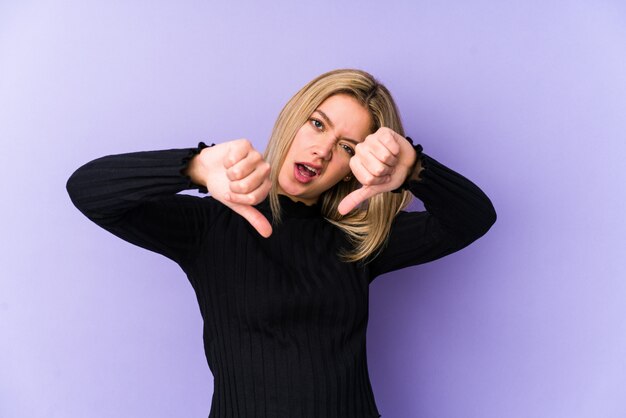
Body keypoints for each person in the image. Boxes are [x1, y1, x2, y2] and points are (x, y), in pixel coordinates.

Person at [66, 69, 496, 418]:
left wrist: (415, 169)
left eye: (346, 146)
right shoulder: (211, 226)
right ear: (294, 118)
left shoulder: (361, 241)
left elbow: (474, 219)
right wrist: (193, 168)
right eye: (317, 124)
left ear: (354, 167)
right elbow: (88, 189)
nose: (322, 150)